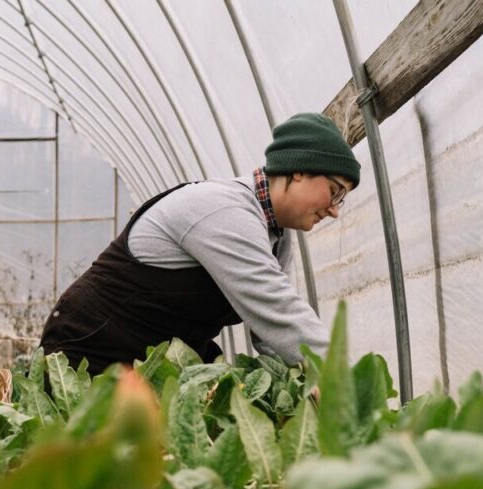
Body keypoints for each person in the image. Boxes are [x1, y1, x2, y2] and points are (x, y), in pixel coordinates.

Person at [39, 112, 360, 374]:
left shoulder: (277, 236)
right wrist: (343, 381)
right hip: (88, 353)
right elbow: (281, 310)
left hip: (158, 363)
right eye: (335, 191)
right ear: (299, 170)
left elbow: (272, 332)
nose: (334, 209)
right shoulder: (226, 211)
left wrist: (300, 382)